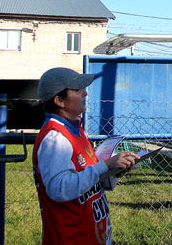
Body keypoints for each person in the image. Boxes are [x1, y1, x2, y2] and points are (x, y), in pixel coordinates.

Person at [33, 67, 140, 244]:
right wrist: (105, 165)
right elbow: (58, 189)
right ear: (60, 100)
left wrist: (113, 172)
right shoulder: (55, 137)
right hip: (70, 238)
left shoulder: (75, 129)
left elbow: (89, 179)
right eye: (77, 90)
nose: (85, 93)